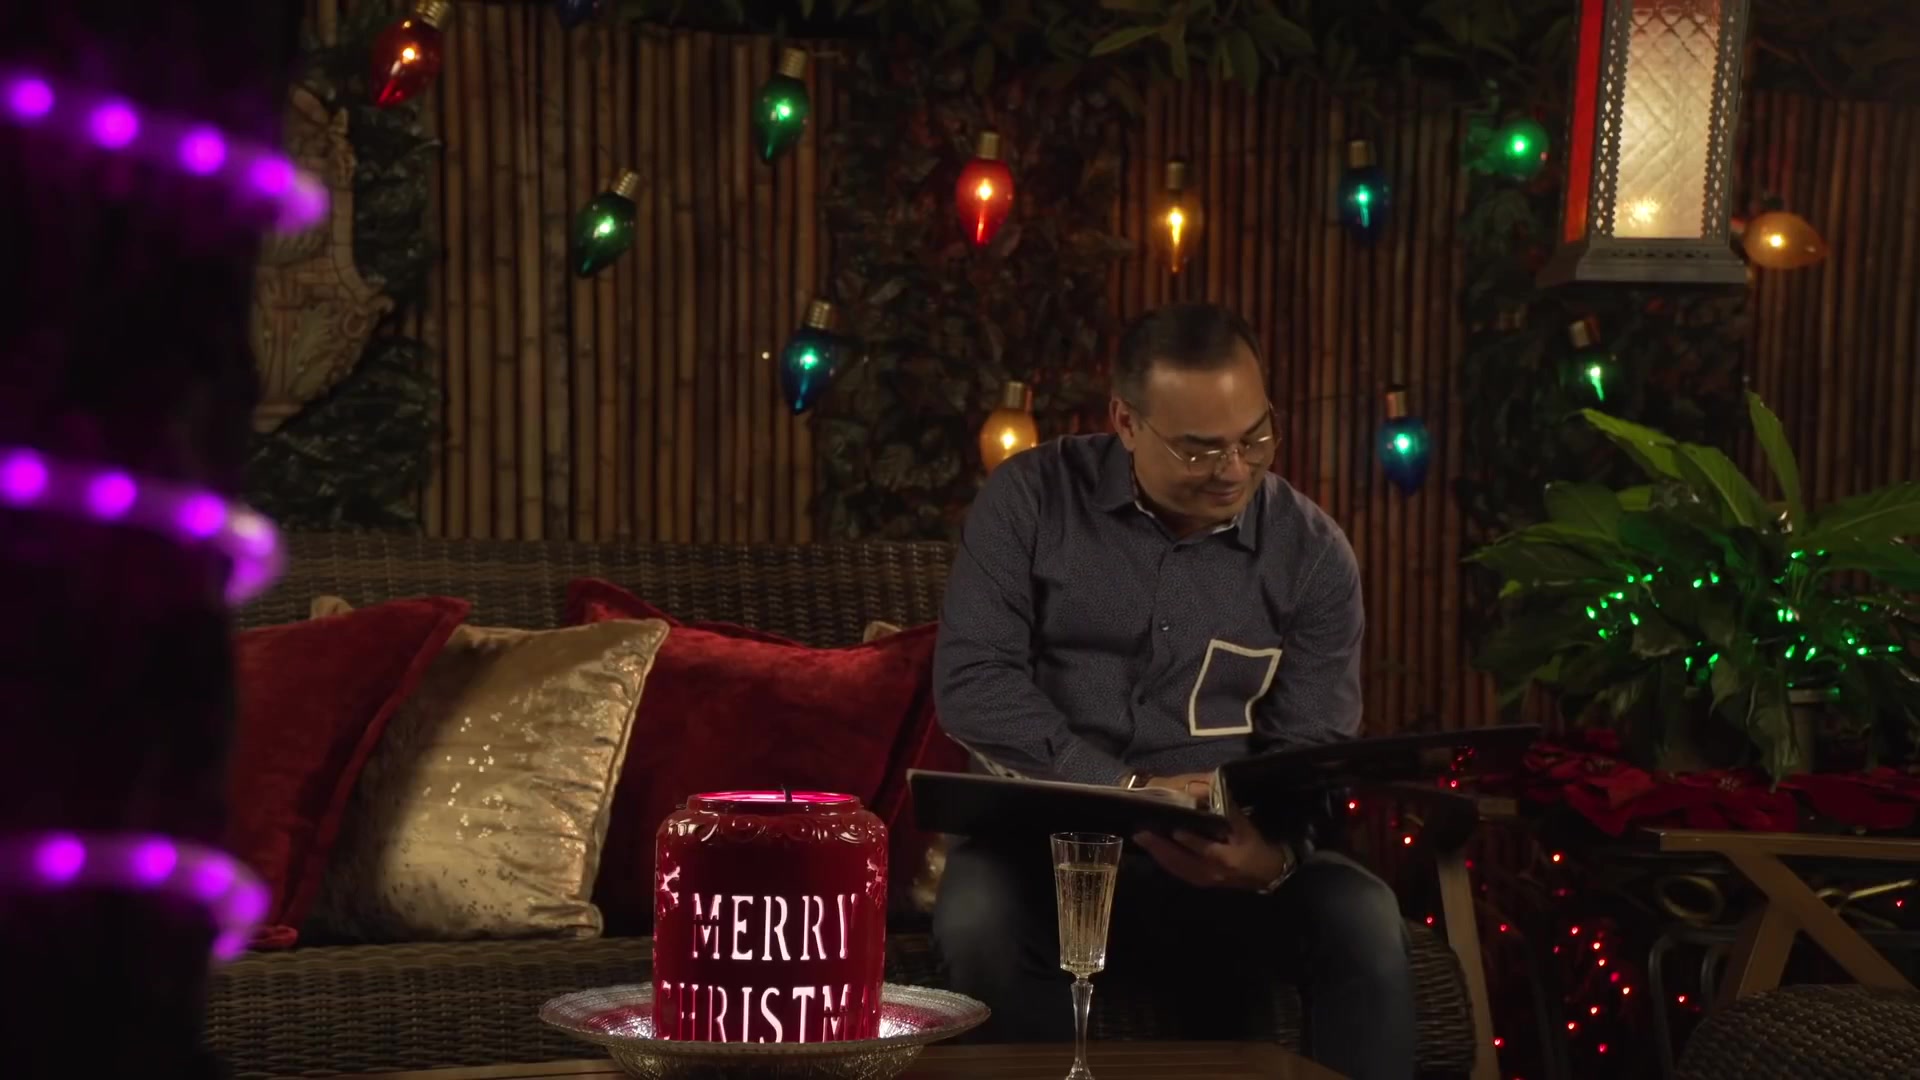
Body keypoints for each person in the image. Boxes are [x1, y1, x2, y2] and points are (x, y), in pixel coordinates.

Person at [930, 303, 1416, 1079]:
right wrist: (1126, 789)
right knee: (977, 911)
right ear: (1126, 421)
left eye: (1255, 437)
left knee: (1360, 912)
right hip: (1042, 858)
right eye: (1199, 449)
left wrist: (1272, 858)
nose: (1235, 469)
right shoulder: (1029, 500)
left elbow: (1313, 747)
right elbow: (974, 683)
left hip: (1226, 865)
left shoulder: (1314, 555)